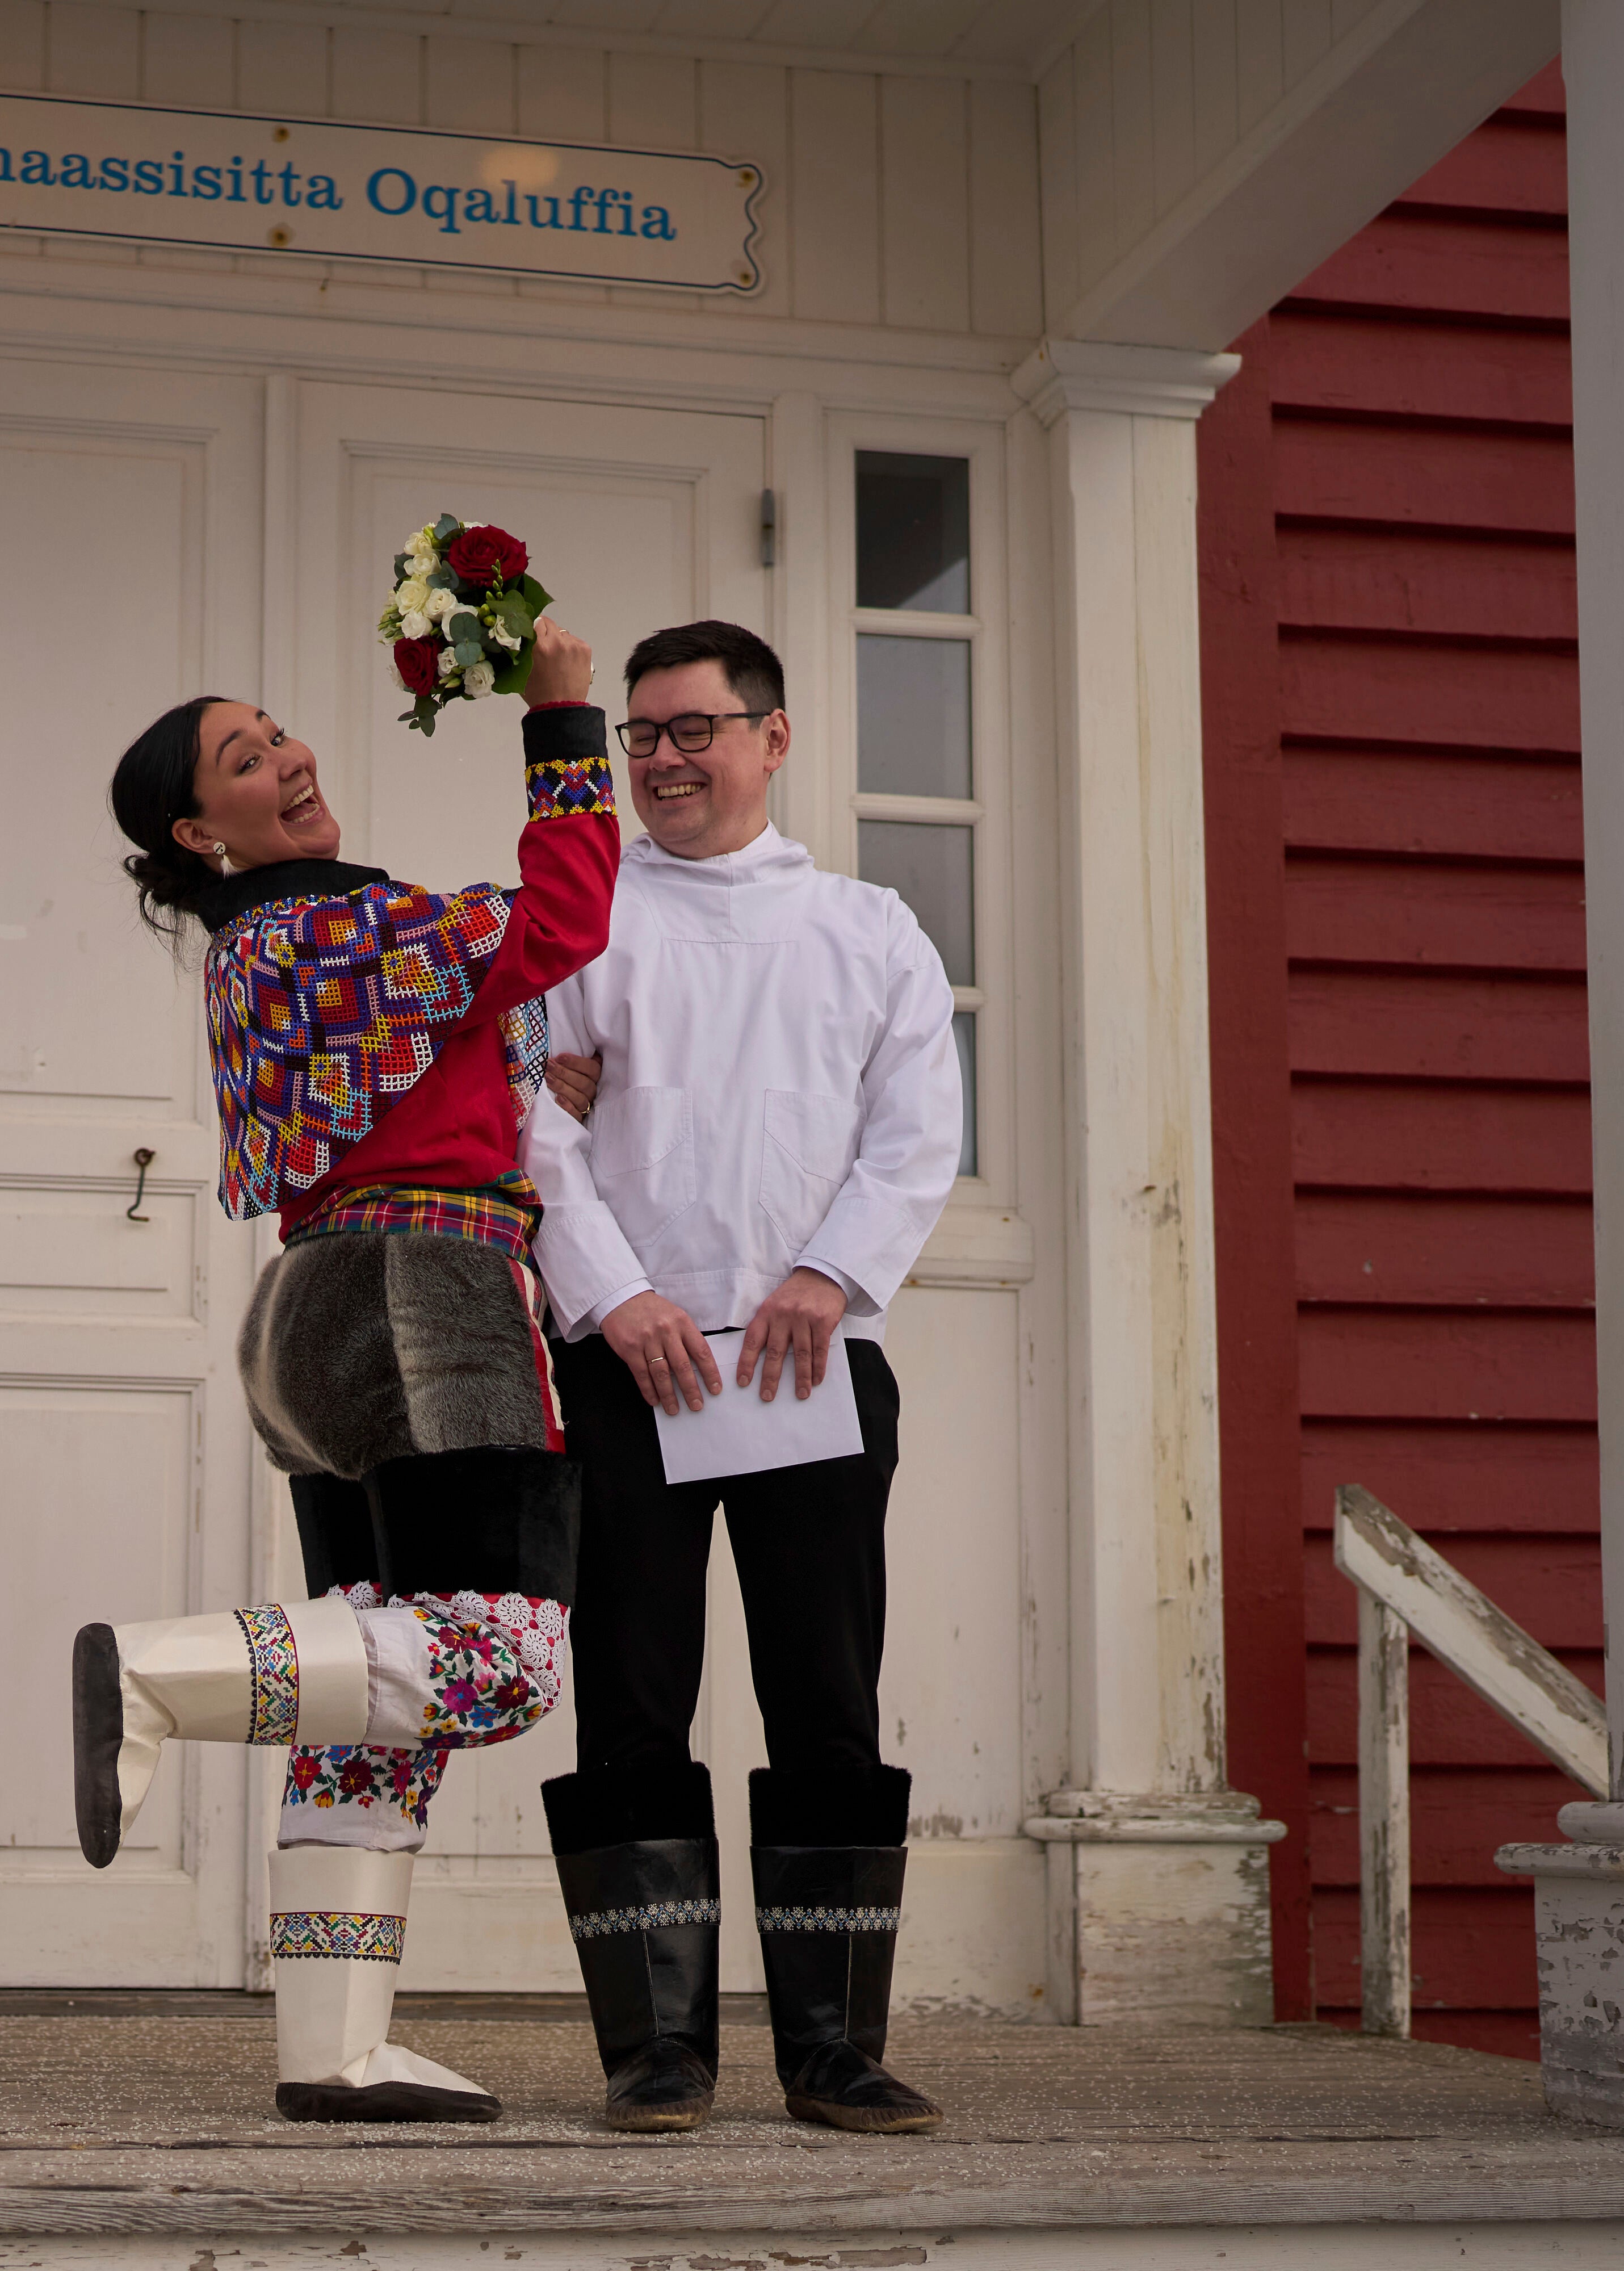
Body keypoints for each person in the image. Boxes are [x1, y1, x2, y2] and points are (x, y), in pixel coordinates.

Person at [76, 619, 616, 2124]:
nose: (290, 759)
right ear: (201, 830)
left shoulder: (260, 947)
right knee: (497, 1659)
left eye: (278, 733)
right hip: (427, 1294)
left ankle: (333, 2045)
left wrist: (524, 1076)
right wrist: (563, 721)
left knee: (377, 1687)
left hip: (317, 1313)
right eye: (246, 761)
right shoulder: (332, 920)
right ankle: (156, 1677)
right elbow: (563, 917)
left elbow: (434, 1056)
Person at [524, 620, 963, 2135]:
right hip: (631, 1368)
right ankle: (658, 2052)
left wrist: (828, 1273)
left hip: (806, 1363)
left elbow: (915, 1134)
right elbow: (537, 1134)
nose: (660, 757)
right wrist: (615, 1293)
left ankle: (833, 2051)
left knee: (827, 1699)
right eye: (640, 733)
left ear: (772, 740)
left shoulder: (868, 926)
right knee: (634, 1701)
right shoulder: (580, 922)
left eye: (693, 728)